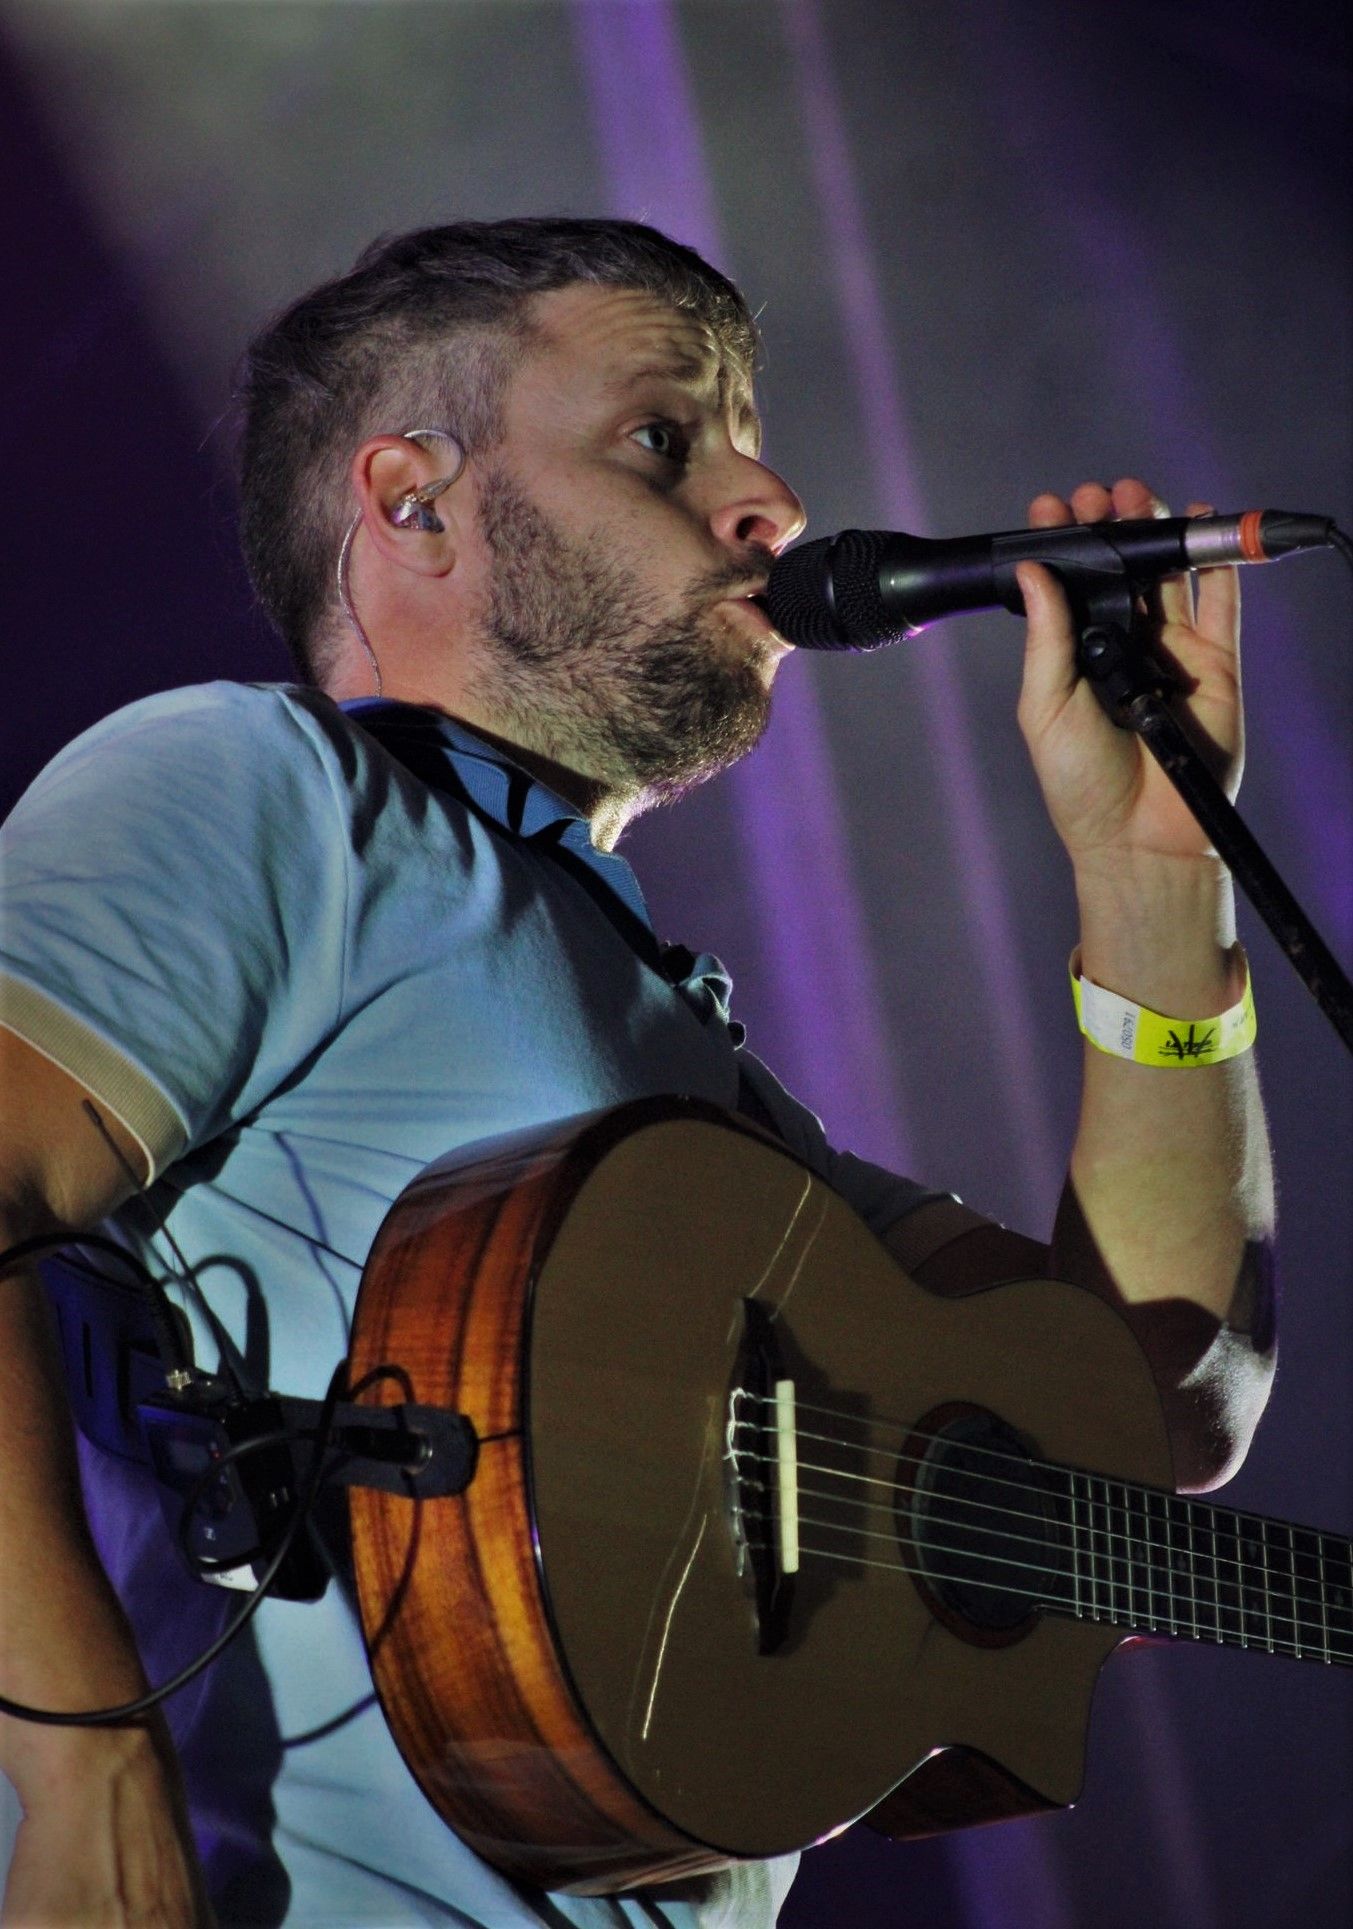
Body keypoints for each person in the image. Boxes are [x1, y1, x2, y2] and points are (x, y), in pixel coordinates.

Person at [0, 218, 1276, 1926]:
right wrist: (86, 1773)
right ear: (410, 498)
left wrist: (1155, 886)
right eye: (665, 440)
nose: (772, 504)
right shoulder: (265, 788)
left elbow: (1139, 1417)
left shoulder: (716, 1106)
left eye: (749, 441)